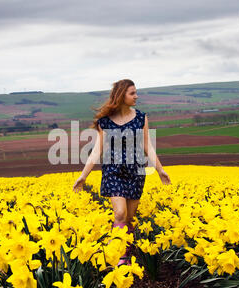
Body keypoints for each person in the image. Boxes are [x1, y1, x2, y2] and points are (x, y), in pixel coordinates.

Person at [73, 79, 171, 265]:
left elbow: (147, 146)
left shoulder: (141, 118)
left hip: (136, 172)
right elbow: (97, 150)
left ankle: (127, 247)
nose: (136, 96)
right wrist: (83, 176)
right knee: (119, 214)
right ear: (121, 95)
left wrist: (160, 170)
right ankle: (120, 254)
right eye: (132, 93)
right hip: (113, 171)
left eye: (136, 92)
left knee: (129, 217)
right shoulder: (105, 122)